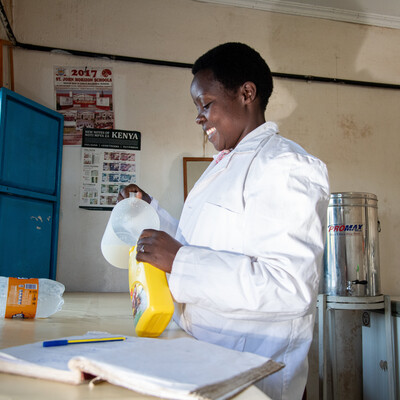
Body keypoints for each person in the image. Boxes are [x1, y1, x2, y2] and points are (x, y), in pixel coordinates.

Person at [118, 42, 330, 400]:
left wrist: (179, 261)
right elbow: (195, 243)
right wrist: (147, 211)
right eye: (197, 108)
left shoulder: (286, 165)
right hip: (203, 355)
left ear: (247, 93)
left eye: (206, 104)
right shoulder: (223, 166)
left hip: (253, 373)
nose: (199, 117)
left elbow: (289, 288)